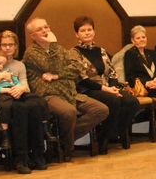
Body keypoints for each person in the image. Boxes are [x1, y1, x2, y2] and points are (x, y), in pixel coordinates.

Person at [23, 17, 108, 162]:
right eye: (39, 29)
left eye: (46, 27)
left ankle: (60, 142)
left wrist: (57, 76)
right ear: (32, 36)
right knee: (69, 112)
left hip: (70, 92)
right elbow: (51, 66)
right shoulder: (31, 53)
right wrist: (53, 44)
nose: (45, 31)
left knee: (101, 110)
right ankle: (67, 149)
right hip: (48, 95)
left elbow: (77, 67)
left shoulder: (59, 49)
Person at [0, 30, 47, 168]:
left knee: (36, 105)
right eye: (4, 45)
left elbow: (25, 85)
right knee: (20, 109)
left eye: (11, 45)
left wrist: (20, 88)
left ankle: (38, 154)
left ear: (15, 47)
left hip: (18, 94)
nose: (7, 48)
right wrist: (0, 76)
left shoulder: (19, 65)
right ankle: (21, 158)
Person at [72, 16, 141, 152]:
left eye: (89, 29)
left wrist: (113, 87)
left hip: (108, 88)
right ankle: (104, 138)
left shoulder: (101, 51)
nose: (87, 33)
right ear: (77, 34)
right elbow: (82, 79)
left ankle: (118, 131)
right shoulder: (74, 53)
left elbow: (112, 73)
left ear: (94, 31)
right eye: (83, 30)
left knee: (132, 102)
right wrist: (106, 89)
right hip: (89, 90)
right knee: (113, 100)